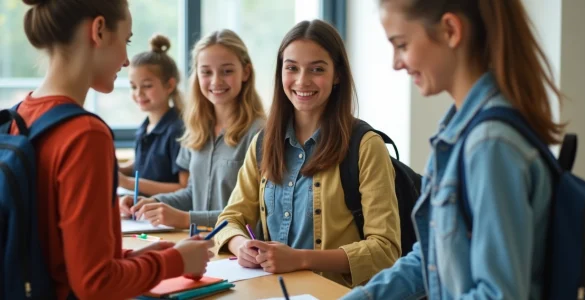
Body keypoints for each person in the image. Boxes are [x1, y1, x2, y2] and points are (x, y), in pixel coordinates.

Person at [343, 0, 563, 299]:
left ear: (450, 30)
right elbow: (432, 258)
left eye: (402, 44)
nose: (397, 62)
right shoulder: (454, 134)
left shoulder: (490, 145)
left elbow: (499, 294)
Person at [11, 1, 213, 299]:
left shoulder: (19, 117)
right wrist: (176, 261)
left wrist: (141, 259)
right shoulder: (85, 134)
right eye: (127, 40)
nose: (127, 60)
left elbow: (54, 252)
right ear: (99, 30)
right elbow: (96, 283)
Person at [213, 19, 401, 287]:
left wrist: (301, 259)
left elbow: (385, 250)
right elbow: (230, 219)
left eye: (317, 69)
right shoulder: (263, 141)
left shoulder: (365, 145)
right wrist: (240, 244)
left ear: (337, 75)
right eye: (292, 68)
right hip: (272, 290)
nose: (302, 81)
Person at [120, 29, 266, 229]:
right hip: (201, 246)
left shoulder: (260, 133)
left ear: (246, 72)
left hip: (238, 253)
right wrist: (152, 203)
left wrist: (187, 219)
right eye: (206, 72)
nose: (216, 81)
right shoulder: (196, 128)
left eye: (227, 71)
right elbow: (192, 193)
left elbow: (256, 212)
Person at [118, 34, 188, 197]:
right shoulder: (145, 127)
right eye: (133, 86)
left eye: (147, 86)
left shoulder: (177, 130)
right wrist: (119, 169)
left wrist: (128, 183)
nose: (138, 93)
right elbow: (144, 163)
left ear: (170, 85)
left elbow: (184, 187)